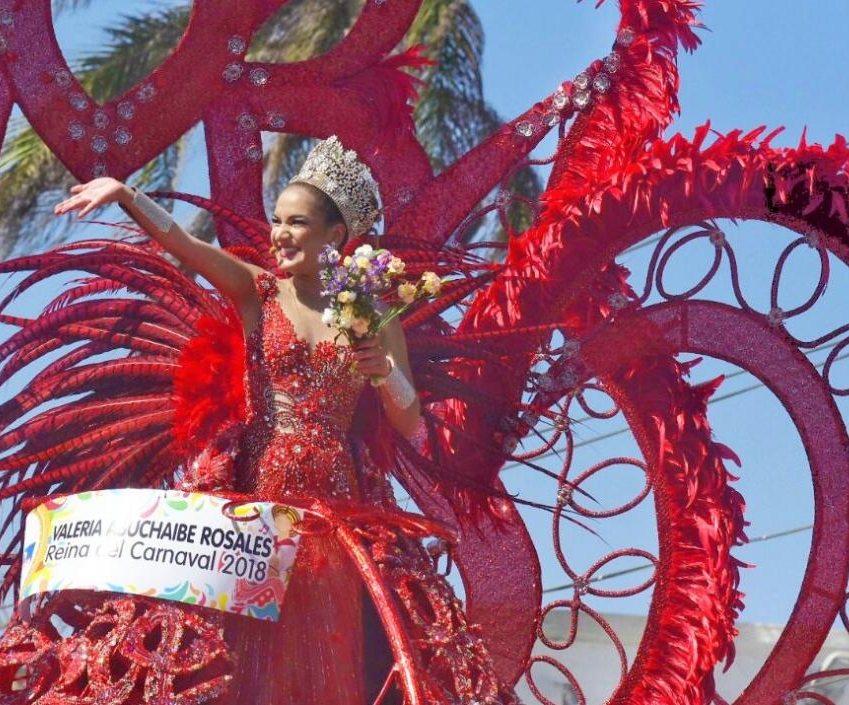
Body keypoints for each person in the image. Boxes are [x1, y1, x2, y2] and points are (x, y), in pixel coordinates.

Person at [43, 136, 505, 704]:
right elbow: (185, 243)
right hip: (256, 502)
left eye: (297, 222)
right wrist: (128, 195)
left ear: (335, 236)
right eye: (276, 220)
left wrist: (386, 370)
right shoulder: (258, 291)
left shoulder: (372, 315)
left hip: (336, 512)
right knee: (243, 656)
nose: (279, 234)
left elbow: (408, 419)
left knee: (324, 655)